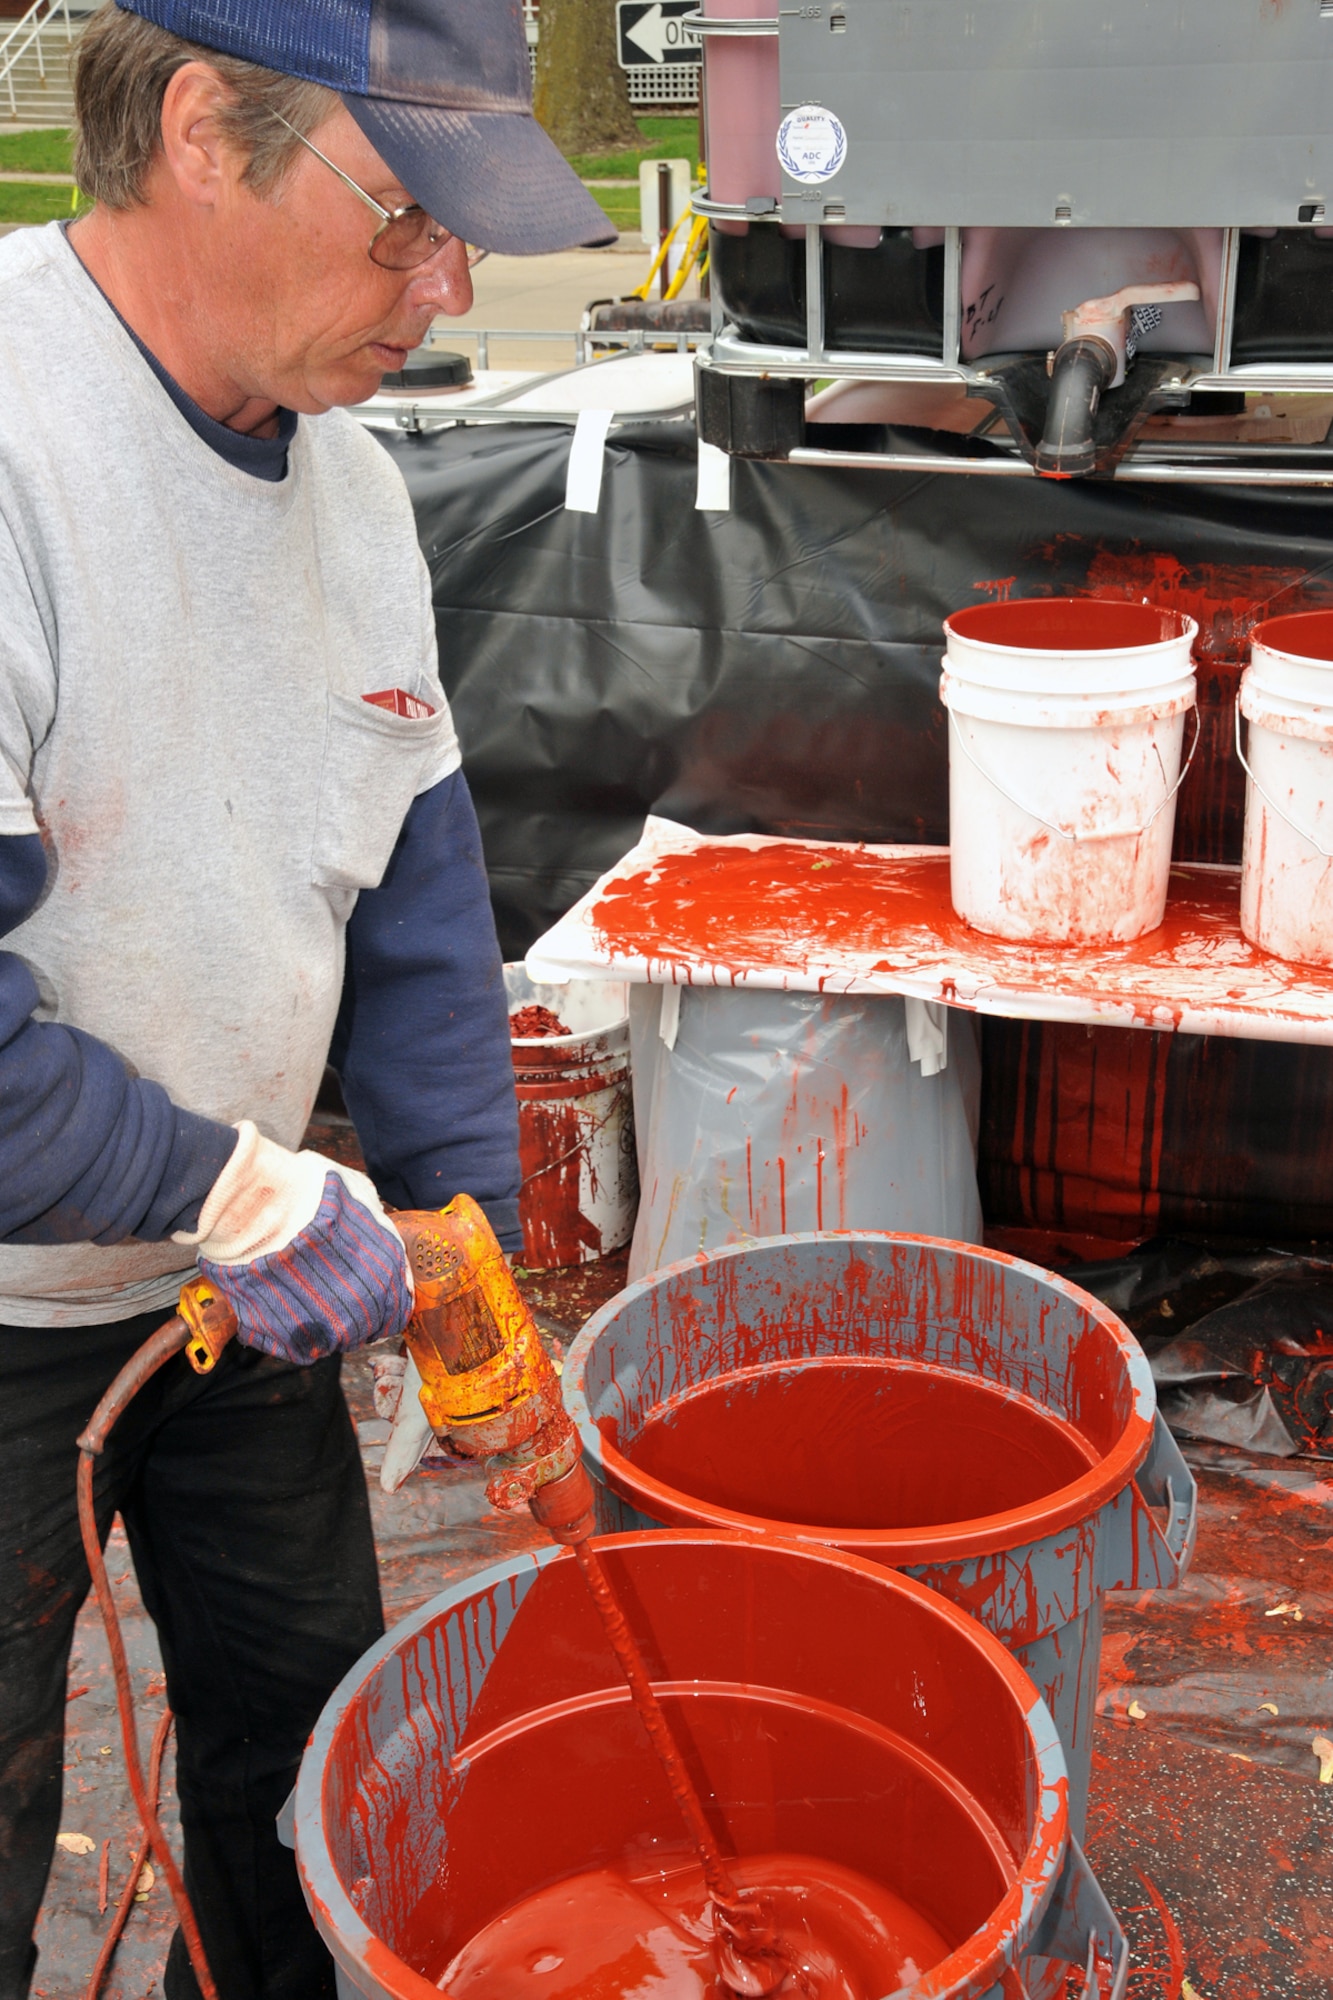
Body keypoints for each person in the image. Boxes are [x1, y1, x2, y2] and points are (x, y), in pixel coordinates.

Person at [0, 3, 614, 1995]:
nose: (442, 298)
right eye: (406, 225)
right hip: (34, 1296)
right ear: (204, 129)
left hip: (240, 1288)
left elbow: (420, 904)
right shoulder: (18, 447)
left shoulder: (350, 489)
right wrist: (251, 1193)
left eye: (467, 244)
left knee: (307, 1753)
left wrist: (467, 1273)